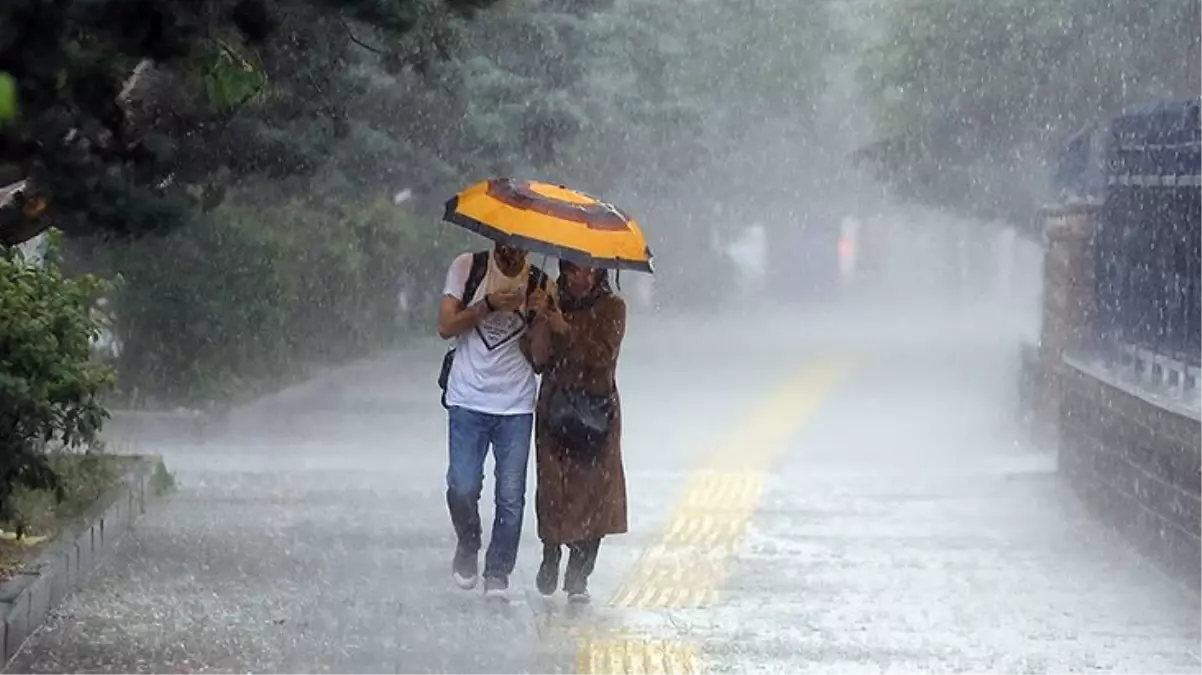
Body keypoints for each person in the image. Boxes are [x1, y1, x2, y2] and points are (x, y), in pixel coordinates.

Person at [436, 242, 546, 600]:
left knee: (511, 495)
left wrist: (537, 317)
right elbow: (445, 325)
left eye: (521, 248)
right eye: (506, 246)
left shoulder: (540, 283)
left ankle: (498, 571)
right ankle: (469, 541)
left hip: (514, 405)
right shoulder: (468, 267)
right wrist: (487, 306)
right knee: (462, 486)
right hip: (468, 399)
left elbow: (541, 359)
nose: (512, 255)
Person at [527, 260, 628, 603]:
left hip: (595, 410)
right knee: (553, 487)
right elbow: (537, 360)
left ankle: (579, 574)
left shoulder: (613, 307)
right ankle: (551, 551)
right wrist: (541, 319)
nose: (581, 277)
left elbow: (602, 355)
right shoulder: (552, 297)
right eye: (573, 269)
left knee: (594, 495)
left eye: (589, 270)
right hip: (555, 407)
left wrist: (564, 328)